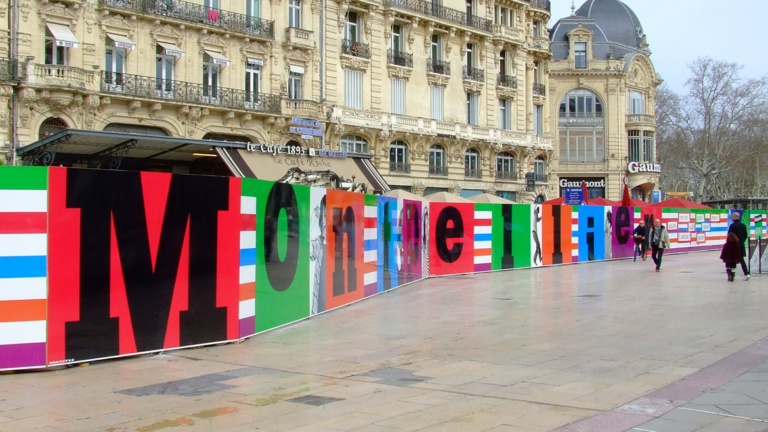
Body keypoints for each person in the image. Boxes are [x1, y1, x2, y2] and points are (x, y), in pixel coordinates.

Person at [727, 212, 750, 281]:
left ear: (734, 217)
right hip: (741, 245)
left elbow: (730, 236)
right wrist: (741, 241)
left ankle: (732, 275)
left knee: (733, 260)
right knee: (742, 260)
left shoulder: (732, 226)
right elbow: (745, 235)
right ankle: (747, 274)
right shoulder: (743, 225)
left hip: (734, 246)